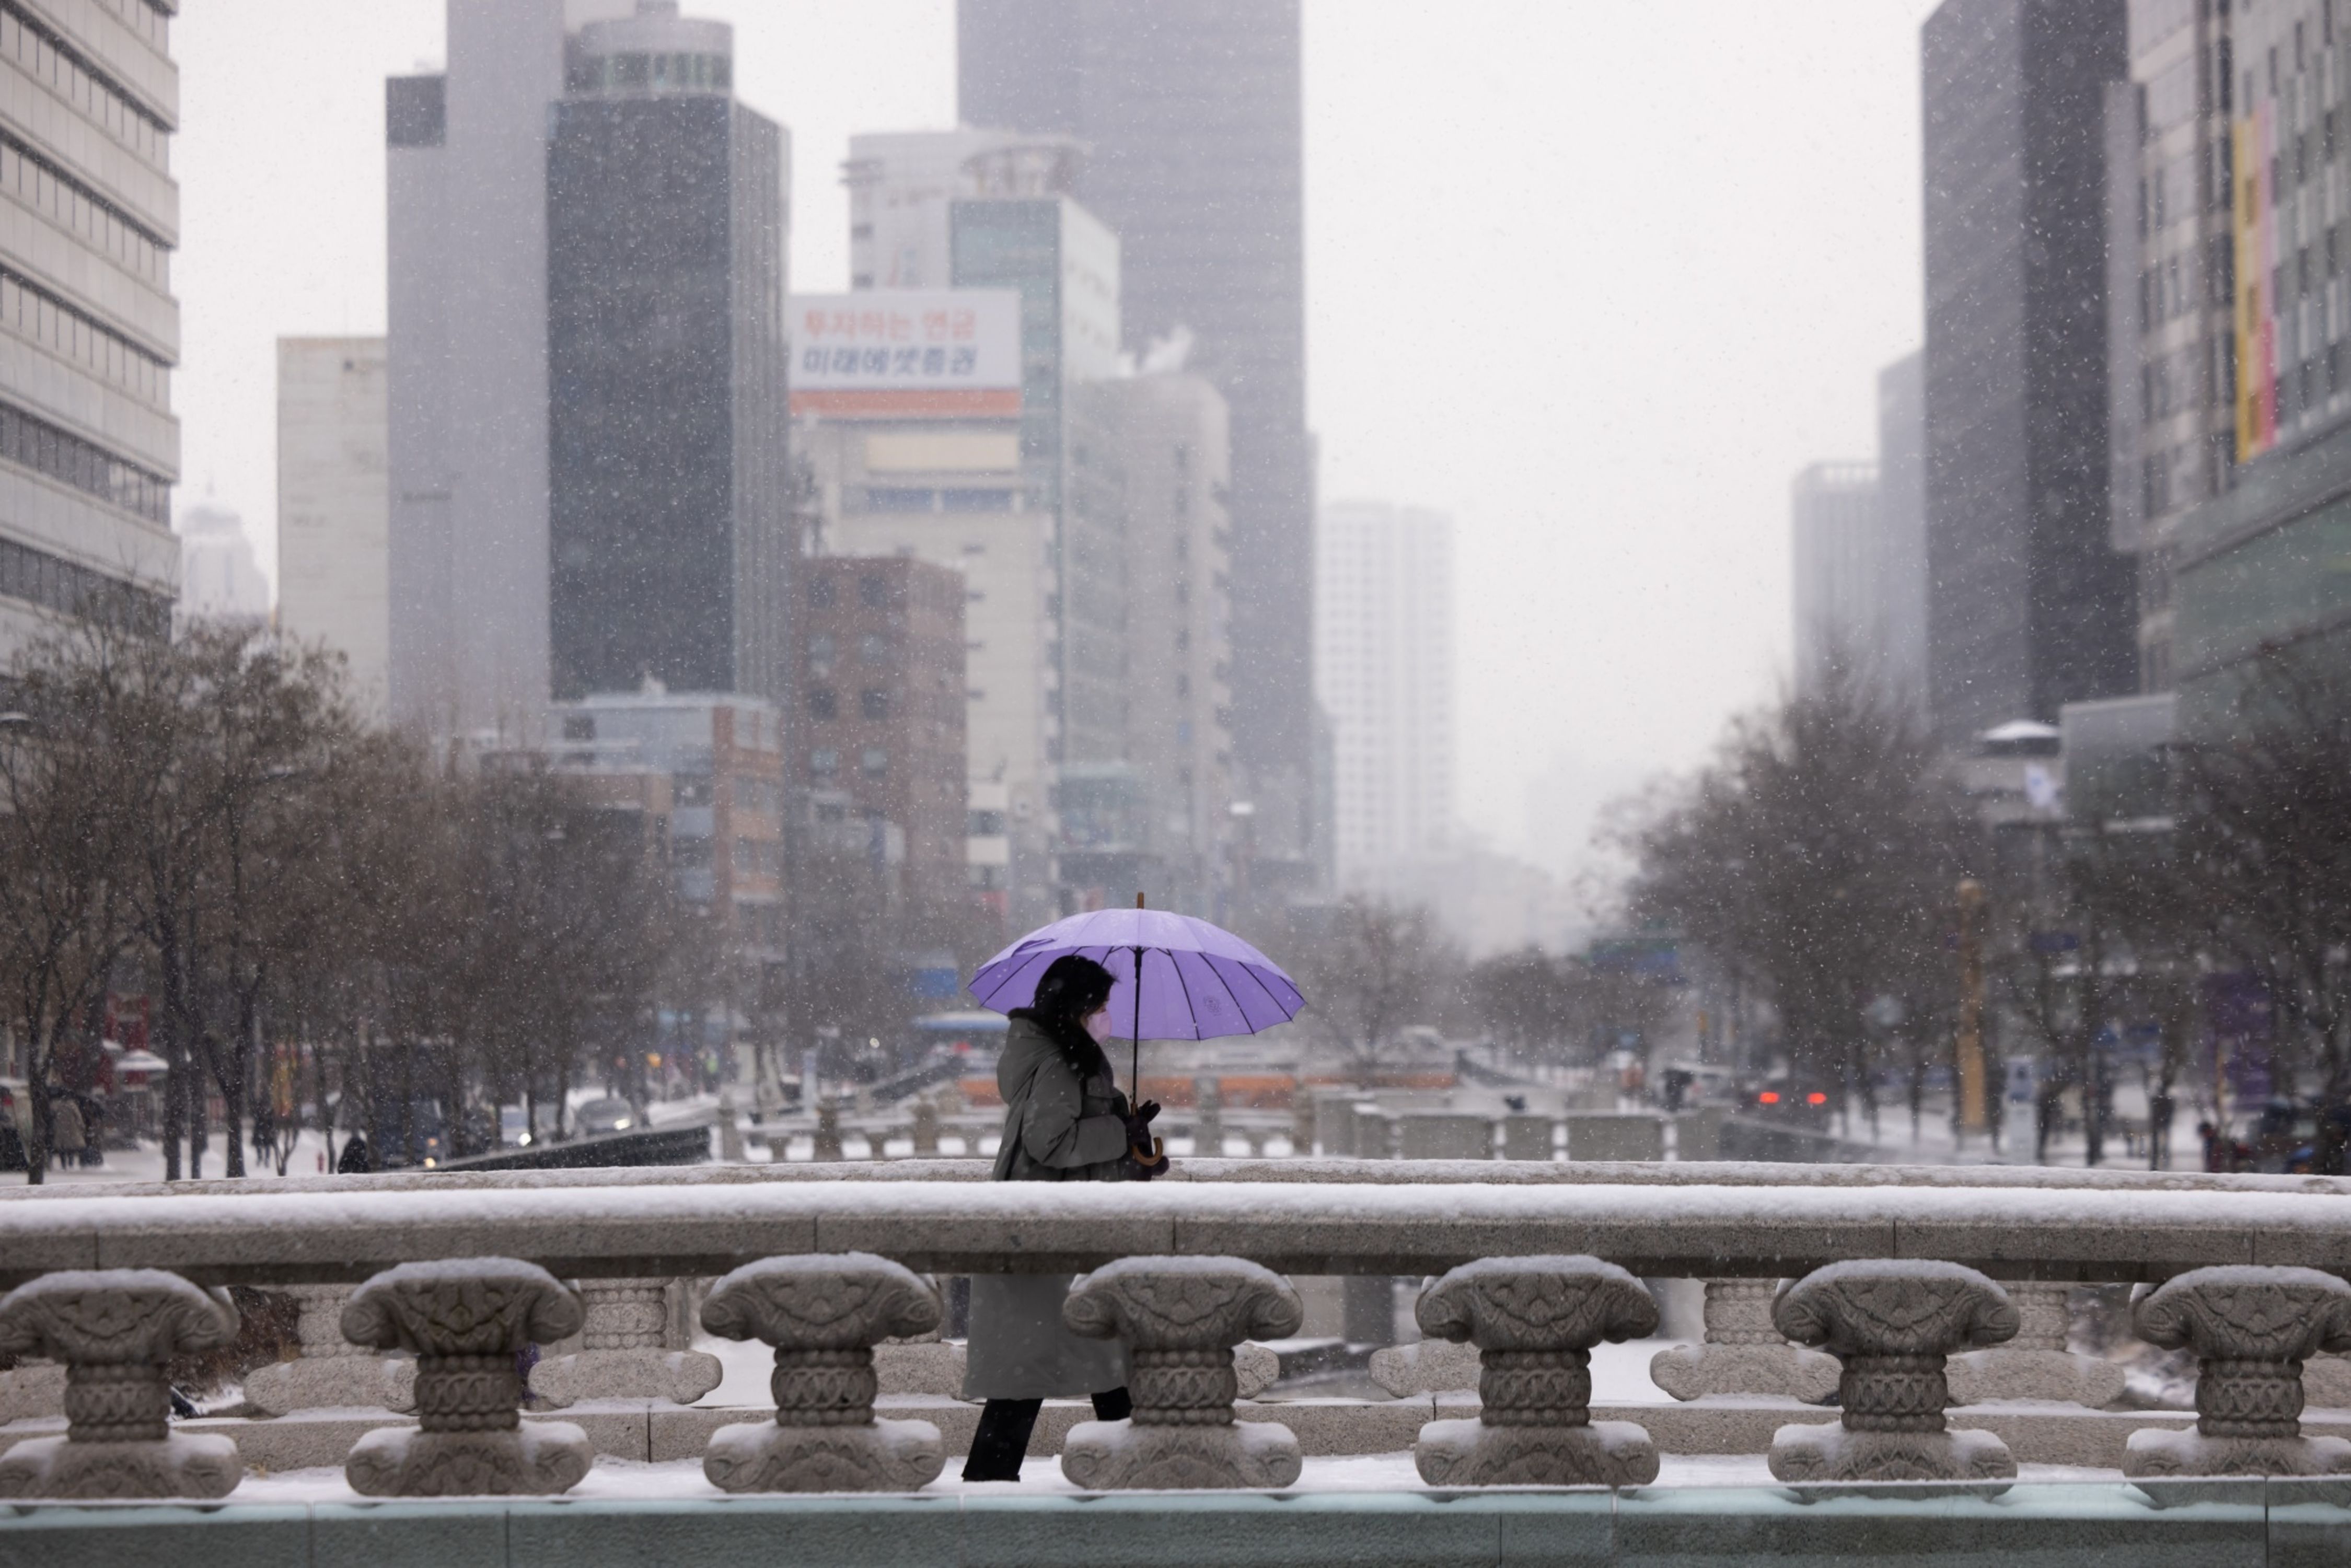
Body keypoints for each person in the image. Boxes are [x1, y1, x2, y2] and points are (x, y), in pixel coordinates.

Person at [960, 954, 1166, 1482]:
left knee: (1067, 1360)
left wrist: (1132, 1147)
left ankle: (1133, 1470)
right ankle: (1138, 1472)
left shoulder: (1065, 1054)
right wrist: (1120, 1134)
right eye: (1100, 1004)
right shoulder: (1058, 1060)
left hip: (1059, 1228)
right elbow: (1049, 1143)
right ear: (1078, 1005)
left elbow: (1075, 1142)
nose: (1105, 1014)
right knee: (1057, 1363)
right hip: (1045, 1231)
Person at [47, 1094, 83, 1171]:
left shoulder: (55, 1105)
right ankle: (70, 1164)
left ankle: (64, 1165)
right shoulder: (72, 1106)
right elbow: (78, 1117)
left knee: (62, 1148)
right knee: (70, 1148)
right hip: (71, 1129)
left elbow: (52, 1116)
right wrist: (81, 1126)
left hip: (60, 1129)